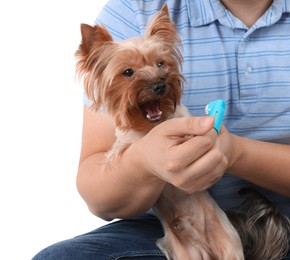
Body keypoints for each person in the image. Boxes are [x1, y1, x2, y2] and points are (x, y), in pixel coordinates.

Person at [33, 0, 290, 259]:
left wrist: (234, 154)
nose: (154, 79)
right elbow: (98, 195)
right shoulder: (134, 8)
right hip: (157, 224)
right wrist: (144, 162)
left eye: (160, 65)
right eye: (129, 72)